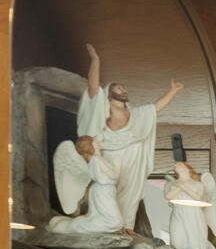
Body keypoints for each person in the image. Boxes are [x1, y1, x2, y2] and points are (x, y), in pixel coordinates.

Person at [51, 45, 184, 236]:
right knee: (113, 189)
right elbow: (93, 88)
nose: (123, 90)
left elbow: (154, 109)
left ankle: (127, 225)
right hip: (111, 154)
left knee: (131, 191)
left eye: (124, 88)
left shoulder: (136, 114)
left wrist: (172, 91)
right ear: (110, 93)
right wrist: (96, 61)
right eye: (119, 88)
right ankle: (107, 224)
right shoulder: (103, 110)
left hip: (132, 158)